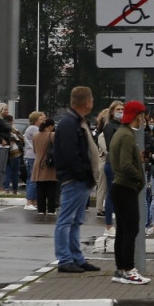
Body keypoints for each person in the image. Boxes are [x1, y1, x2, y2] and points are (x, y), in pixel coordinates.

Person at [52, 86, 103, 274]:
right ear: (86, 102)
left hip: (80, 179)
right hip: (74, 179)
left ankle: (76, 258)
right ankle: (65, 259)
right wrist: (83, 174)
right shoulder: (69, 123)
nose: (93, 102)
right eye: (92, 99)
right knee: (66, 220)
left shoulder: (76, 121)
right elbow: (70, 154)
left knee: (75, 221)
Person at [108, 101, 151, 284]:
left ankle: (120, 270)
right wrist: (139, 177)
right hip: (126, 187)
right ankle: (129, 270)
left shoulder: (121, 133)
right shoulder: (126, 136)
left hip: (120, 187)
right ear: (137, 116)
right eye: (142, 116)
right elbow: (125, 165)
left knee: (123, 230)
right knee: (130, 230)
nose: (143, 120)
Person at [30, 117, 58, 215]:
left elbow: (35, 150)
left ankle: (41, 209)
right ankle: (51, 209)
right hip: (50, 164)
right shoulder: (53, 135)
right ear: (50, 126)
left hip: (38, 164)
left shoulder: (35, 136)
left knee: (40, 188)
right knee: (51, 188)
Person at [23, 110, 44, 210]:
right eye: (40, 119)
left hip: (31, 156)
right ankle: (29, 202)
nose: (42, 121)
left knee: (32, 179)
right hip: (33, 156)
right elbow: (41, 140)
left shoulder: (32, 128)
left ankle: (33, 200)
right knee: (33, 179)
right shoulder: (34, 129)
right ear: (35, 120)